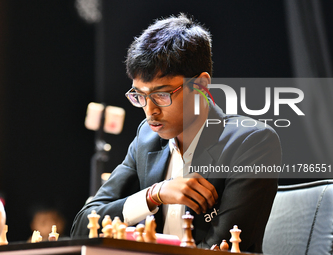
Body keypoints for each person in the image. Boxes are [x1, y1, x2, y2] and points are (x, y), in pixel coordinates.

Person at [71, 14, 281, 253]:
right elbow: (82, 226)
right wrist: (154, 194)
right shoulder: (146, 139)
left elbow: (219, 249)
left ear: (201, 86)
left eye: (162, 94)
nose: (150, 110)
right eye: (140, 95)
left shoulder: (251, 142)